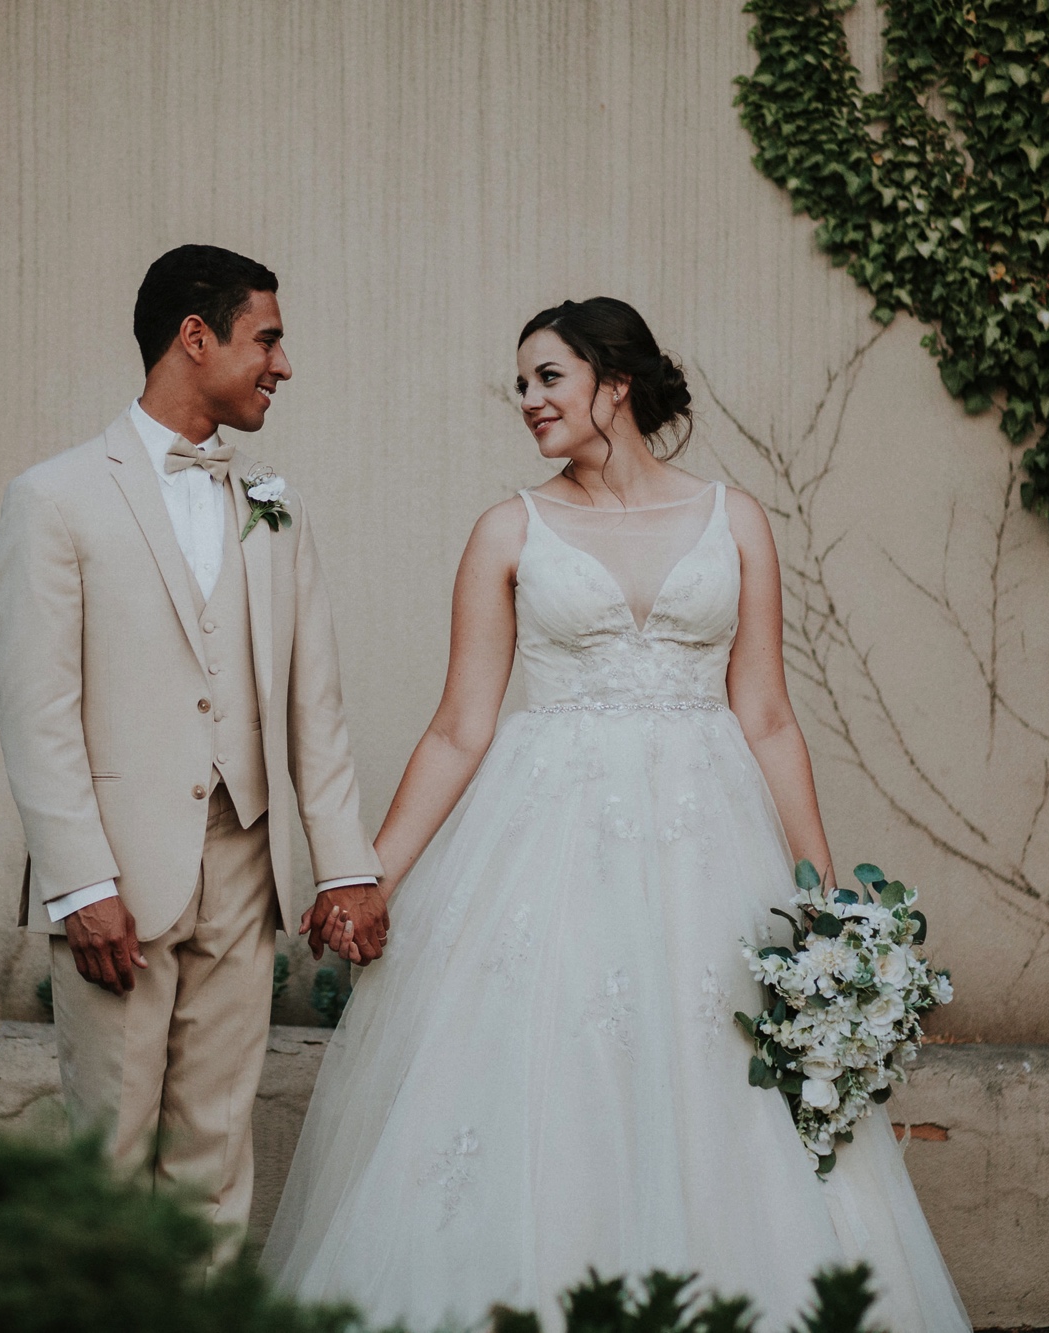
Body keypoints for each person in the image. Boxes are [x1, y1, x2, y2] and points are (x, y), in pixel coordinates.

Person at [264, 298, 971, 1331]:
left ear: (616, 382)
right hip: (547, 848)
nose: (528, 402)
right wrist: (369, 872)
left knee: (717, 1086)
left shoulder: (733, 520)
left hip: (708, 850)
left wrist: (819, 886)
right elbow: (460, 727)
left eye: (548, 377)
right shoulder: (508, 527)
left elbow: (765, 712)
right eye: (520, 385)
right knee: (553, 1082)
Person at [0, 244, 387, 1239]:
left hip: (242, 870)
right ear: (194, 336)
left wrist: (344, 868)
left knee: (214, 1167)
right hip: (118, 877)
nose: (283, 365)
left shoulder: (273, 508)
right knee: (110, 1163)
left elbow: (314, 709)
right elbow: (38, 709)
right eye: (268, 338)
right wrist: (80, 884)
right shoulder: (55, 497)